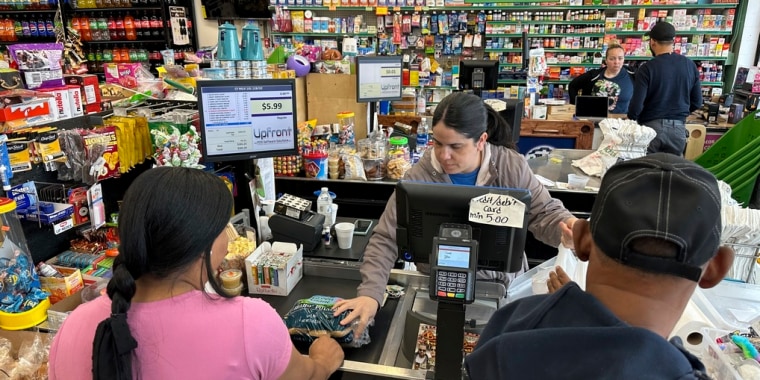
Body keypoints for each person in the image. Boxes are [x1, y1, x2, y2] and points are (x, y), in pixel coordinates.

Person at [48, 167, 344, 380]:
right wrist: (323, 360)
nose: (228, 242)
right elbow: (304, 377)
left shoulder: (73, 327)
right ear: (201, 244)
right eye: (223, 230)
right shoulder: (251, 323)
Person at [465, 153, 734, 379]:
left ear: (581, 240)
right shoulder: (676, 370)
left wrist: (567, 306)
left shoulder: (512, 324)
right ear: (716, 269)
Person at [333, 92, 577, 336]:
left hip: (501, 292)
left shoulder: (510, 167)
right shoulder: (418, 177)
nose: (443, 155)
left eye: (455, 146)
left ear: (481, 140)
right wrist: (370, 295)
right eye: (438, 143)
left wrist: (569, 227)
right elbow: (385, 238)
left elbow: (545, 213)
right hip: (437, 291)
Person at [627, 21, 703, 156]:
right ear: (673, 41)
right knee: (671, 173)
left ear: (653, 42)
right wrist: (679, 112)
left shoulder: (647, 68)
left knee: (647, 170)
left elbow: (636, 106)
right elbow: (697, 101)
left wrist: (631, 120)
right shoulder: (690, 65)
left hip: (651, 129)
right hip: (678, 130)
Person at [568, 44, 635, 114]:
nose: (616, 62)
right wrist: (577, 107)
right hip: (594, 120)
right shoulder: (593, 76)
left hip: (621, 121)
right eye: (612, 59)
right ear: (606, 60)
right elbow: (573, 85)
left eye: (620, 58)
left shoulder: (632, 74)